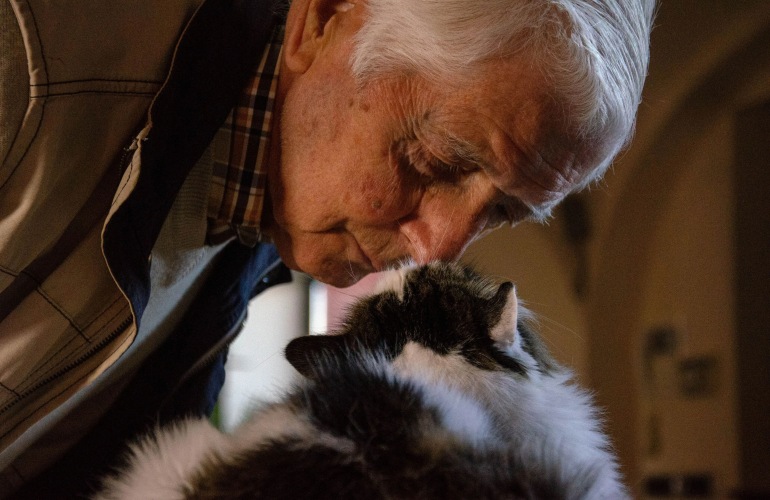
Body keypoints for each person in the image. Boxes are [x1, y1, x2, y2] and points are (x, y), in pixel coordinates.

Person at [0, 0, 654, 496]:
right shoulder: (27, 56)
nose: (436, 250)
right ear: (325, 19)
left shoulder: (263, 208)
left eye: (504, 211)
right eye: (431, 160)